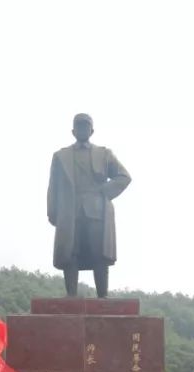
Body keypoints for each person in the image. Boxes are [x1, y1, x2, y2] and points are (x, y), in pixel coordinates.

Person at [47, 112, 131, 298]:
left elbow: (124, 176)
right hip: (70, 211)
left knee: (99, 253)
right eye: (79, 126)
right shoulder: (61, 156)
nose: (82, 129)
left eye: (85, 126)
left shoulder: (104, 154)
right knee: (70, 252)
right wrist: (53, 213)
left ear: (92, 130)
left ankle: (103, 296)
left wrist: (105, 192)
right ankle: (71, 296)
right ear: (73, 131)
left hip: (97, 211)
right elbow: (53, 186)